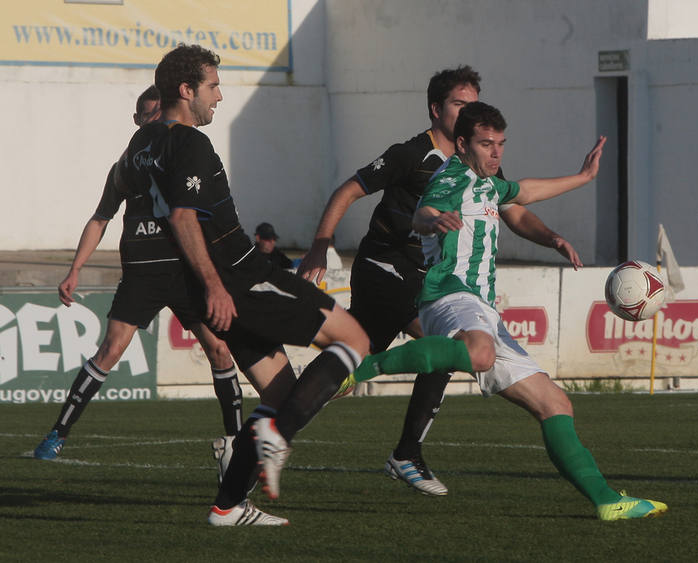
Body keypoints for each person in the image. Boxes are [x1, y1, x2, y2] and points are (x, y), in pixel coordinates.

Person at [116, 44, 474, 526]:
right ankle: (277, 438)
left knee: (281, 390)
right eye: (213, 86)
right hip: (241, 276)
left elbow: (143, 217)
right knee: (353, 338)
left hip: (211, 284)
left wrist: (191, 287)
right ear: (186, 90)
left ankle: (227, 505)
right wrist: (215, 286)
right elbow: (182, 217)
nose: (219, 96)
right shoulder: (189, 142)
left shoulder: (144, 143)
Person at [298, 65, 580, 496]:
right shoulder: (413, 154)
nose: (469, 111)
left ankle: (280, 417)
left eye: (473, 103)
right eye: (459, 103)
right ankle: (401, 450)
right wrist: (320, 244)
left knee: (359, 354)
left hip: (430, 277)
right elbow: (349, 190)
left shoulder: (476, 164)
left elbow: (515, 208)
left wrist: (552, 237)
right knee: (448, 346)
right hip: (386, 266)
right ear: (436, 110)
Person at [412, 101, 667, 521]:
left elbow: (526, 191)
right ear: (462, 144)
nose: (496, 153)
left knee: (556, 405)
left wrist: (583, 180)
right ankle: (369, 366)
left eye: (501, 144)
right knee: (478, 353)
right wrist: (432, 221)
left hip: (481, 307)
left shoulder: (486, 183)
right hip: (453, 296)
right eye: (486, 144)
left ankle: (607, 501)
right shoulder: (454, 175)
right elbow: (424, 209)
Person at [33, 87, 246, 482]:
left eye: (154, 114)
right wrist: (75, 268)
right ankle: (56, 434)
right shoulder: (127, 166)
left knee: (219, 350)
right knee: (110, 350)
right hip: (143, 272)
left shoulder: (182, 154)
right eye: (142, 117)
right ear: (137, 123)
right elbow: (100, 218)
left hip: (183, 271)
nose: (149, 122)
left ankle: (234, 442)